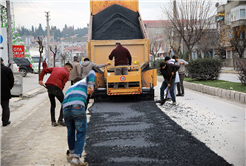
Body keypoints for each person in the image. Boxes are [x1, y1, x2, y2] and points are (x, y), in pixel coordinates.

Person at [62, 70, 95, 166]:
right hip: (77, 107)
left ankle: (71, 154)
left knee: (70, 131)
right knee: (81, 132)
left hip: (65, 109)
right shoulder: (84, 81)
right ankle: (75, 160)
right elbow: (92, 72)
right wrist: (91, 86)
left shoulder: (71, 88)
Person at [39, 62, 73, 127]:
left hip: (49, 87)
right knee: (65, 103)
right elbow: (63, 84)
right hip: (57, 88)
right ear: (67, 67)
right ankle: (60, 120)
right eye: (70, 69)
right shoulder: (66, 73)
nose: (70, 71)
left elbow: (44, 70)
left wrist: (40, 79)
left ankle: (53, 121)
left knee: (53, 104)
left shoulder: (55, 68)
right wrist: (60, 91)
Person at [0, 57, 14, 127]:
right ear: (2, 62)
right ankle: (5, 121)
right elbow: (11, 81)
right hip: (5, 92)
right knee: (5, 107)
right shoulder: (7, 69)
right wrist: (9, 88)